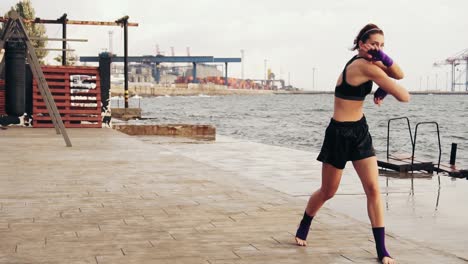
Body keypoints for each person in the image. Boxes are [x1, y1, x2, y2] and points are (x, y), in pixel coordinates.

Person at [294, 23, 410, 264]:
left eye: (382, 46)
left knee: (373, 189)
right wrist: (385, 88)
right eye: (374, 44)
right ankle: (305, 222)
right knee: (328, 191)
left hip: (359, 132)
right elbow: (404, 95)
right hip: (338, 134)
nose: (378, 49)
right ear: (361, 44)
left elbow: (399, 74)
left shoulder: (373, 64)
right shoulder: (360, 66)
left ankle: (382, 250)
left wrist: (384, 66)